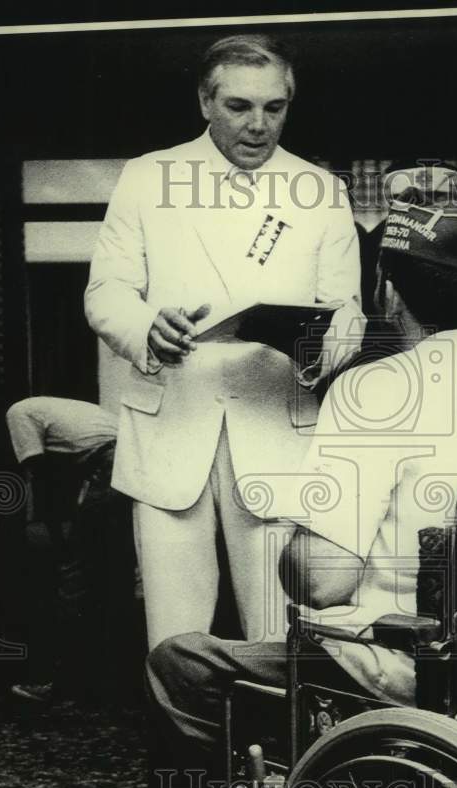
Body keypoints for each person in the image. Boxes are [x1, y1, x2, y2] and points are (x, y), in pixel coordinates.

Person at [144, 166, 457, 788]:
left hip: (420, 671)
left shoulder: (376, 390)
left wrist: (298, 526)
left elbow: (322, 585)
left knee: (180, 662)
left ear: (388, 293)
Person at [84, 34, 363, 649]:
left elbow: (346, 310)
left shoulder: (321, 190)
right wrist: (146, 328)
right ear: (205, 102)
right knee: (173, 641)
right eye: (239, 106)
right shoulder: (148, 177)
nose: (258, 125)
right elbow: (105, 293)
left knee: (279, 641)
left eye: (274, 107)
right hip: (169, 429)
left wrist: (329, 342)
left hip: (276, 431)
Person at [5, 397, 141, 703]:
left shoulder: (17, 413)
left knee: (75, 577)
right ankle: (118, 683)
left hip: (111, 464)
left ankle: (62, 684)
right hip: (136, 457)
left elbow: (39, 474)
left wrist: (57, 538)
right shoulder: (55, 409)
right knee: (115, 571)